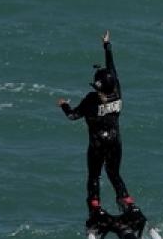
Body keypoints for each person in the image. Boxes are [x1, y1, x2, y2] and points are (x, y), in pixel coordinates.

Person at [58, 31, 136, 218]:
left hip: (97, 145)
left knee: (94, 176)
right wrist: (107, 46)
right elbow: (112, 69)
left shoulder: (92, 100)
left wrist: (64, 105)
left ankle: (94, 205)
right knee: (114, 173)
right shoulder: (117, 91)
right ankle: (125, 199)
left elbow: (72, 116)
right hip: (115, 141)